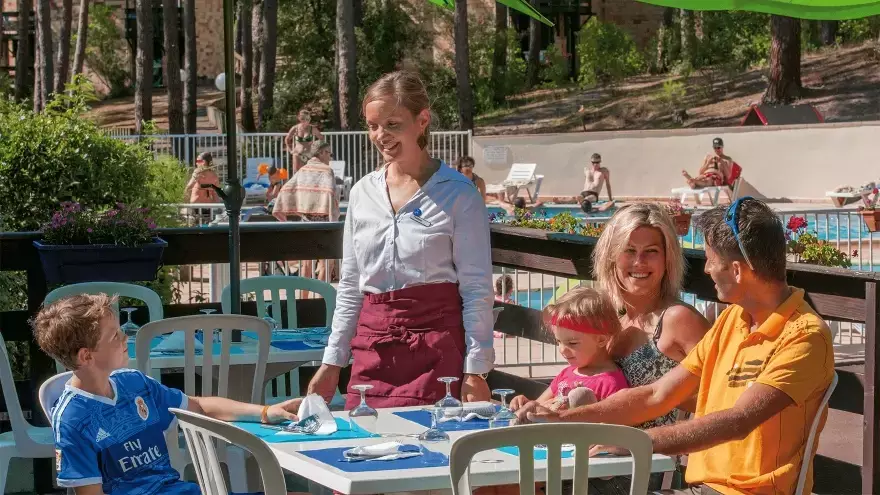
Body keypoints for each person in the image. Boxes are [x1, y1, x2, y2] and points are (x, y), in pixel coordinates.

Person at [516, 198, 835, 495]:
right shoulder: (733, 321)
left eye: (711, 261)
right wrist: (562, 422)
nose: (707, 270)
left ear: (736, 270)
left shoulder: (803, 335)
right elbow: (657, 394)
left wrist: (632, 443)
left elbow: (738, 421)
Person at [307, 71, 494, 409]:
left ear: (422, 120)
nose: (381, 136)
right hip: (372, 348)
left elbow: (477, 287)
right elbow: (350, 285)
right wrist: (331, 362)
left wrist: (476, 371)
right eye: (373, 125)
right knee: (361, 451)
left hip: (438, 352)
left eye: (393, 124)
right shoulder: (362, 192)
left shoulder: (459, 194)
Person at [33, 293, 304, 495]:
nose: (125, 338)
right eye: (115, 336)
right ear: (86, 355)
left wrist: (266, 412)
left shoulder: (134, 383)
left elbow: (198, 406)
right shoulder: (73, 420)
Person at [509, 287, 629, 412]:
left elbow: (613, 426)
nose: (562, 350)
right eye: (558, 341)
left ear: (601, 340)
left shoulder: (611, 384)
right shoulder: (566, 374)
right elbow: (538, 405)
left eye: (572, 343)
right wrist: (525, 403)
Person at [272, 141, 339, 223]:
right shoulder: (327, 170)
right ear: (321, 153)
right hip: (324, 222)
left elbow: (285, 189)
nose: (330, 157)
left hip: (305, 221)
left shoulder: (303, 170)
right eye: (329, 153)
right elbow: (332, 194)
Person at [183, 152, 222, 225]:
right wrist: (218, 206)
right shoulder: (214, 175)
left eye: (198, 161)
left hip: (196, 206)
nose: (196, 163)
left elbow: (189, 186)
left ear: (203, 162)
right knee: (206, 227)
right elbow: (215, 193)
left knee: (195, 227)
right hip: (208, 207)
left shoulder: (198, 172)